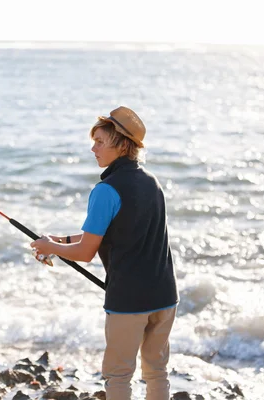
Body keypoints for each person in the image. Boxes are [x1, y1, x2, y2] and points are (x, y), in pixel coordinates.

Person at [31, 106, 178, 400]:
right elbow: (113, 232)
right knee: (157, 372)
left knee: (118, 375)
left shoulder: (105, 190)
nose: (93, 148)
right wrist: (58, 241)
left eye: (100, 141)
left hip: (128, 300)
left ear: (122, 145)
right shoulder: (151, 181)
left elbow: (86, 251)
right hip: (164, 296)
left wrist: (51, 248)